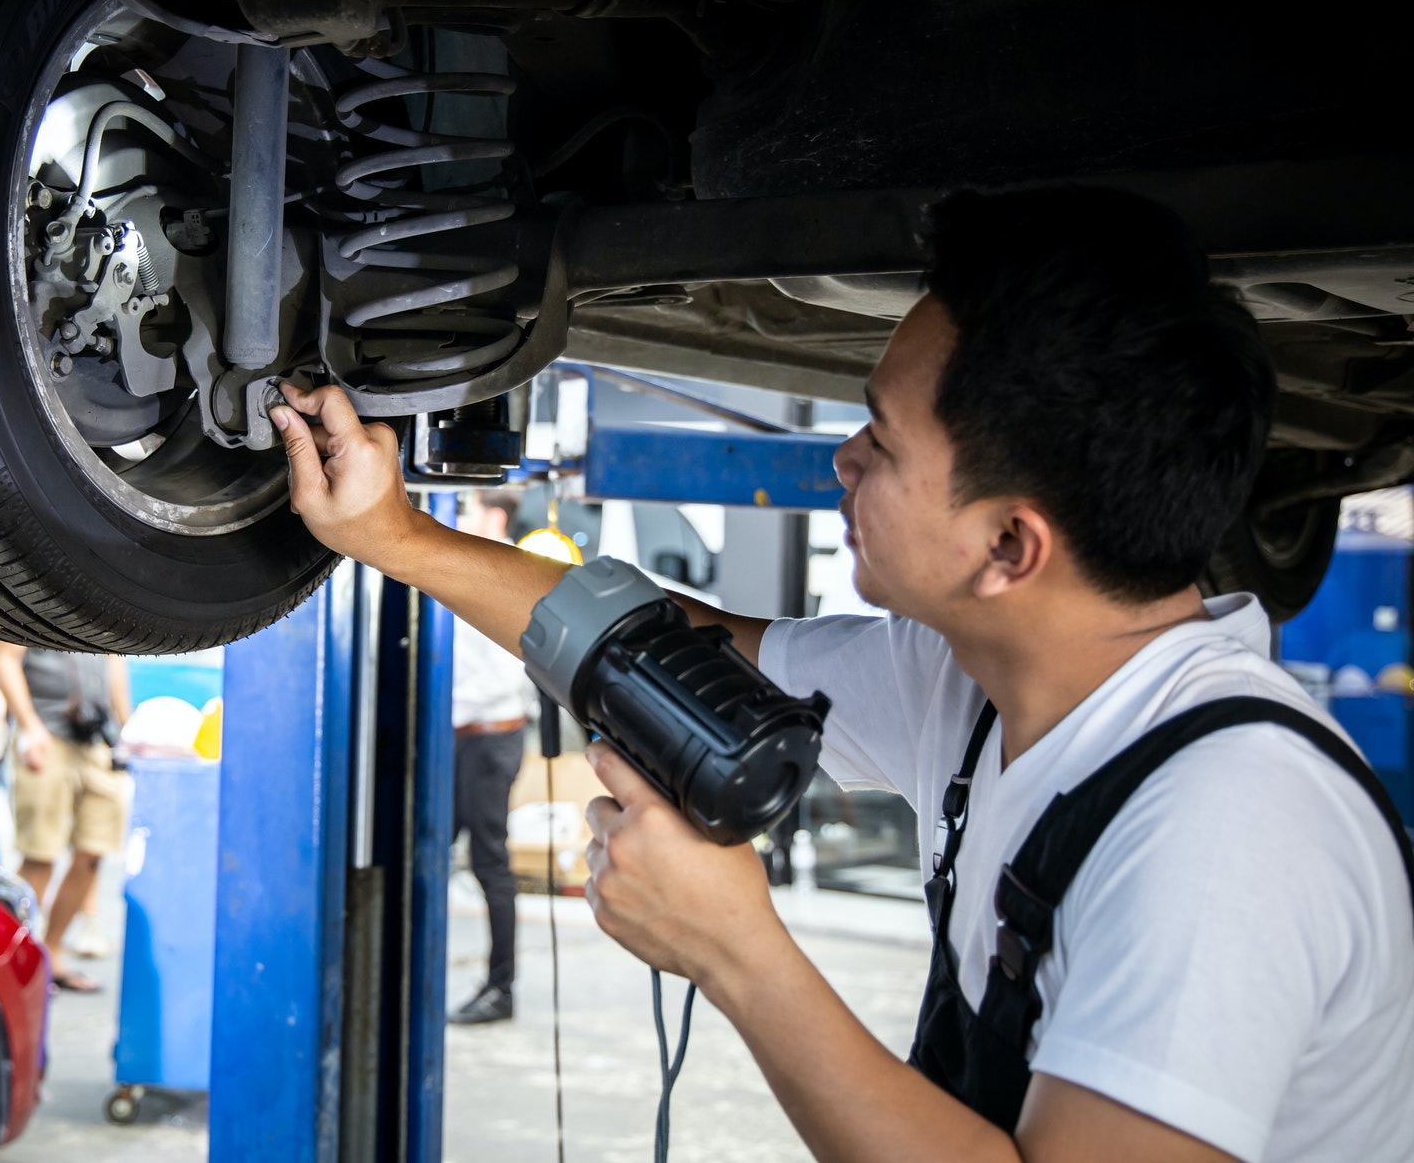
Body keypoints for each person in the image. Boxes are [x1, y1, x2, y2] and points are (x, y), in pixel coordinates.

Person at [269, 188, 1414, 1162]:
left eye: (879, 439)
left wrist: (736, 949)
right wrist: (399, 538)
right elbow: (662, 648)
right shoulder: (974, 682)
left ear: (1008, 547)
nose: (840, 460)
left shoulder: (1225, 834)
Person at [448, 489, 540, 1025]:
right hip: (463, 737)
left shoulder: (508, 574)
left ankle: (500, 988)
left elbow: (503, 675)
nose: (458, 517)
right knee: (428, 848)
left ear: (495, 515)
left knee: (490, 863)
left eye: (467, 508)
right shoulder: (471, 566)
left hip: (489, 737)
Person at [0, 641, 133, 993]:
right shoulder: (30, 591)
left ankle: (52, 952)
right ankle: (10, 960)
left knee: (93, 851)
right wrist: (28, 726)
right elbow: (6, 662)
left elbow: (113, 659)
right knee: (40, 853)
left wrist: (126, 728)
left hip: (97, 738)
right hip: (47, 735)